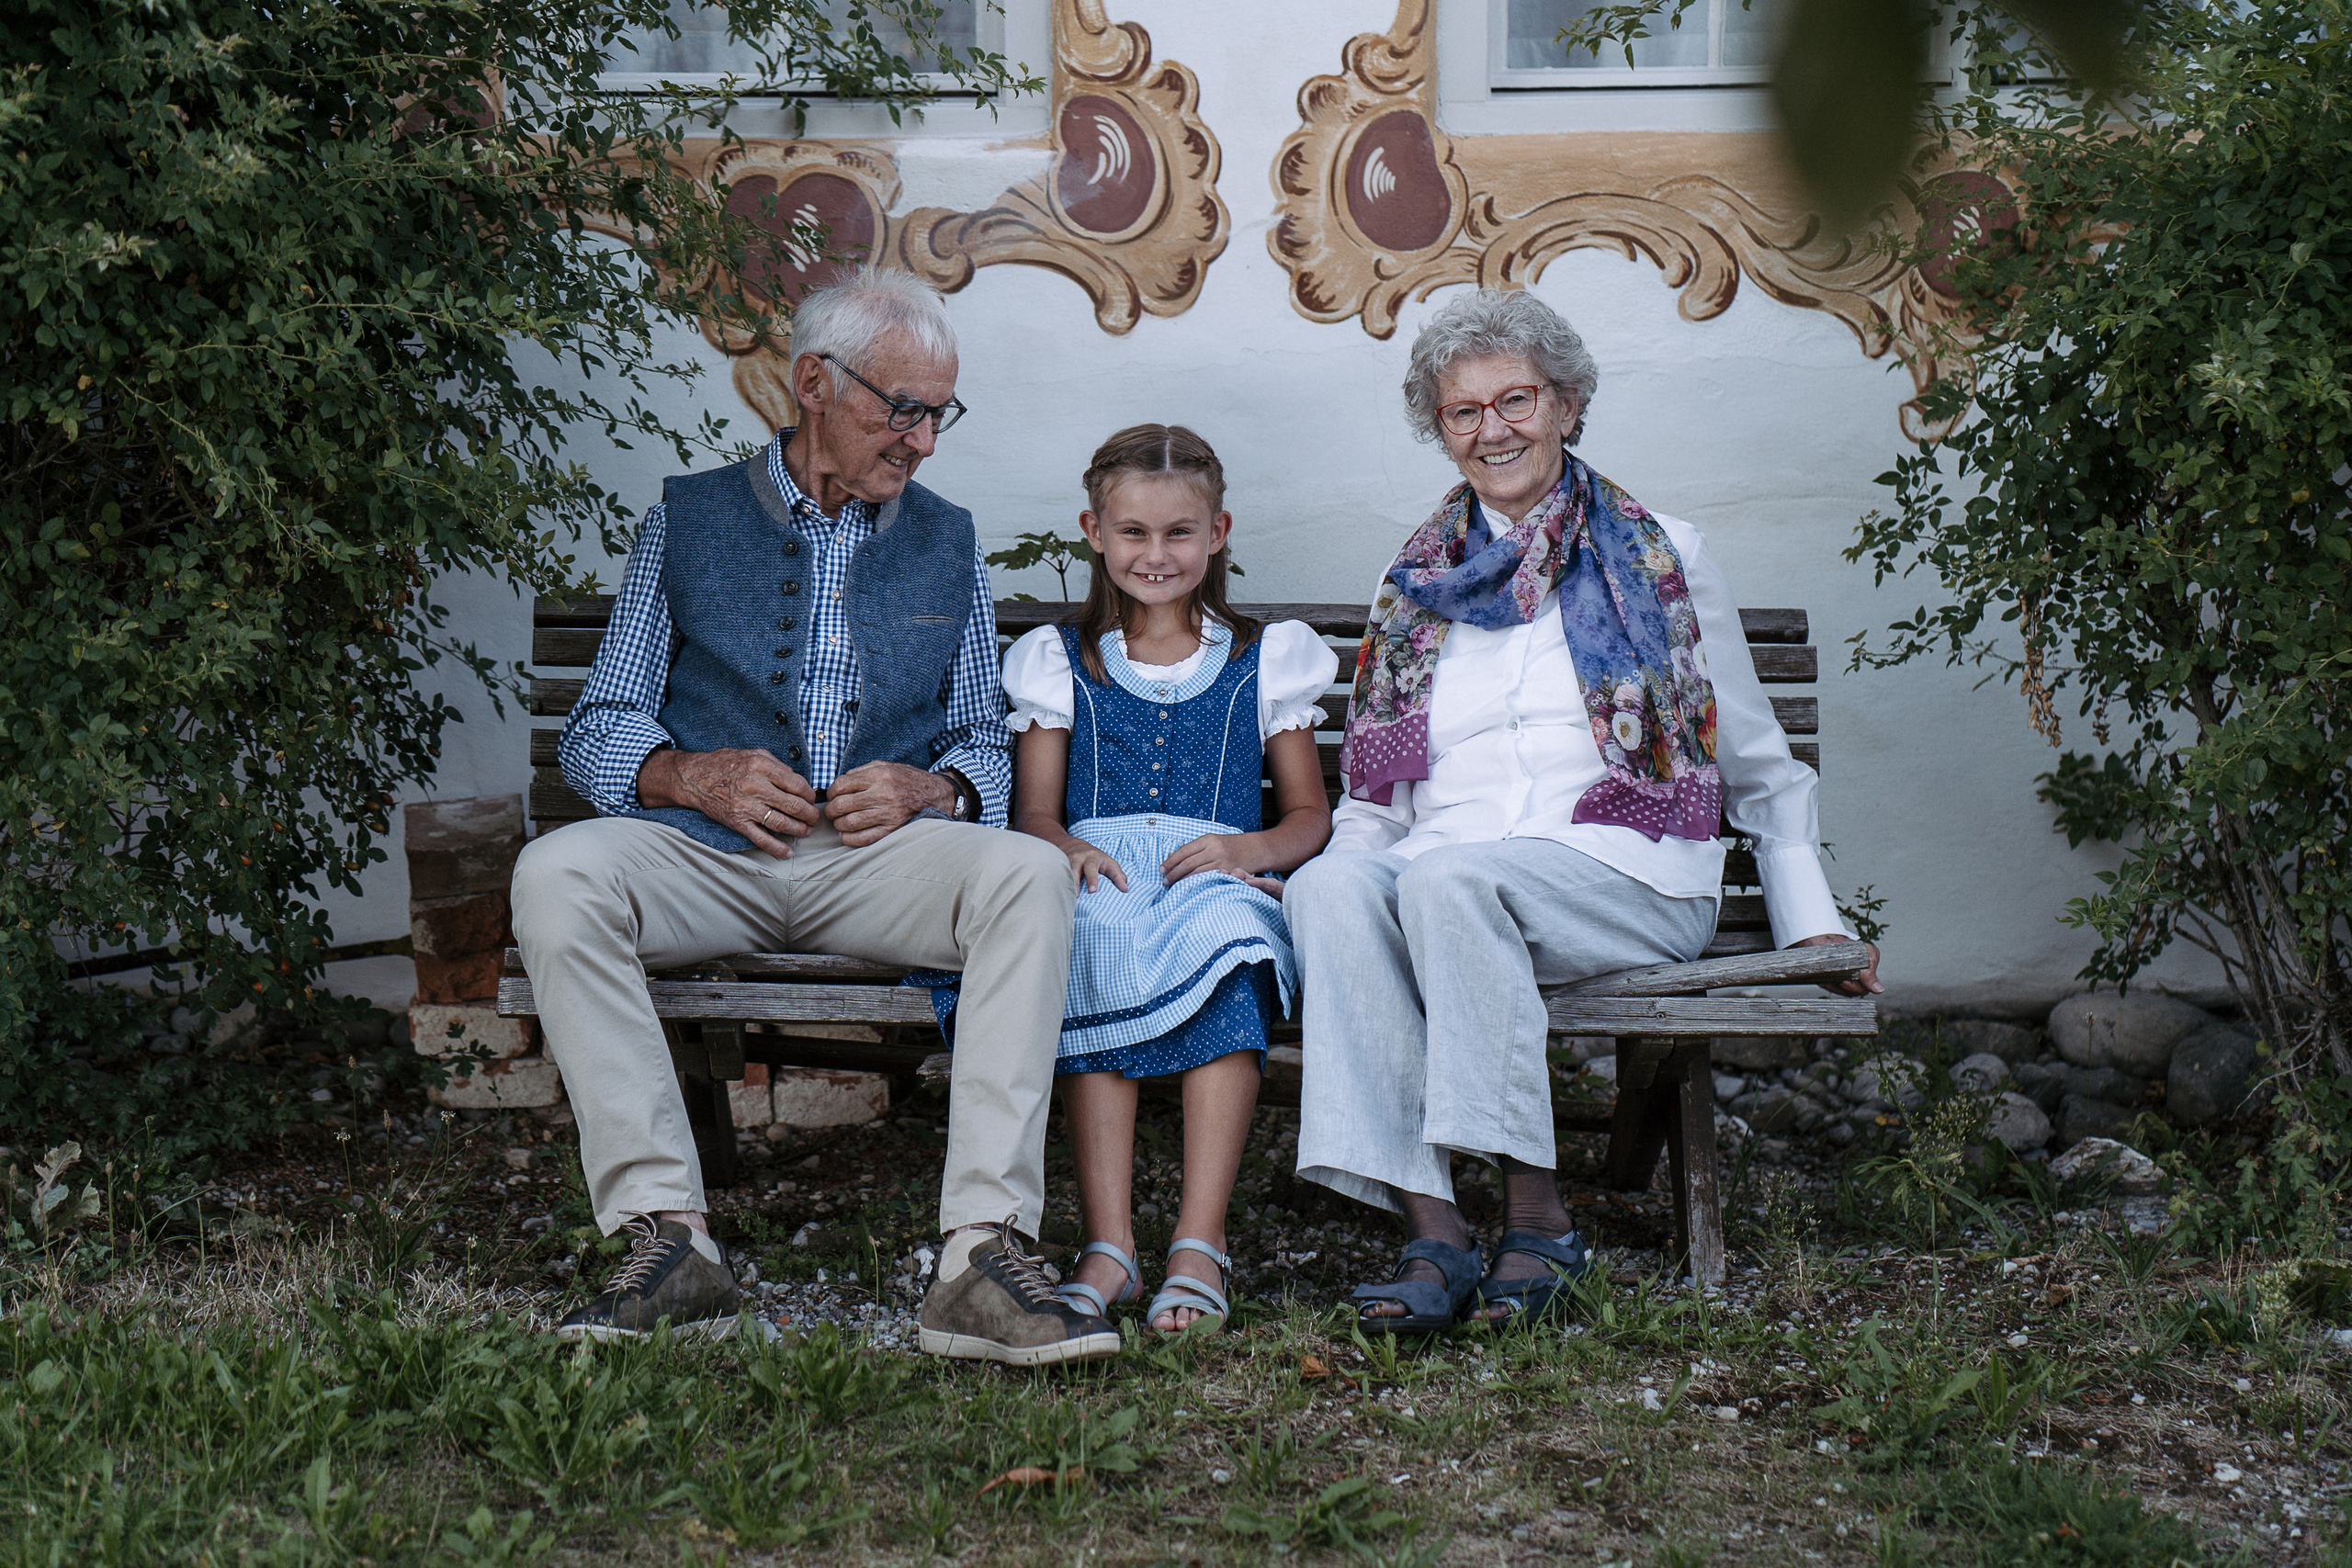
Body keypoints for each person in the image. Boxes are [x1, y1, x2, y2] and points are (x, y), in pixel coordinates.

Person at [510, 267, 1120, 1366]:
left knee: (1026, 877)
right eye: (904, 410)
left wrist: (934, 790)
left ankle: (979, 1257)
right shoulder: (688, 520)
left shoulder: (948, 540)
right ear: (812, 385)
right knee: (556, 874)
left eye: (938, 414)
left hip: (879, 866)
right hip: (707, 858)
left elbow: (983, 743)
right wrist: (687, 775)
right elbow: (599, 728)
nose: (922, 442)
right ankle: (669, 1239)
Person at [1286, 288, 1883, 1331]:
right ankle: (1436, 1234)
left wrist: (1810, 923)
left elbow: (1756, 760)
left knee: (1449, 879)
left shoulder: (1664, 555)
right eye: (1463, 411)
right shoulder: (1416, 581)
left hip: (1626, 875)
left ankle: (1539, 1219)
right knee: (1333, 889)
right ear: (1441, 429)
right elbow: (1378, 800)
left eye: (1514, 400)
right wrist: (1335, 873)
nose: (1492, 430)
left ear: (1565, 404)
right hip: (1451, 875)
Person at [996, 424, 1335, 1336]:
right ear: (1094, 533)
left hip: (1212, 867)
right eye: (1134, 532)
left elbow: (1309, 815)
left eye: (1179, 531)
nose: (1157, 553)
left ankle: (1199, 1241)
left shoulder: (1265, 657)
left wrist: (1249, 850)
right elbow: (1035, 813)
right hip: (1102, 864)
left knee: (1234, 938)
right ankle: (1110, 1244)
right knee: (1089, 933)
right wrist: (1064, 849)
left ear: (1217, 532)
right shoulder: (1061, 660)